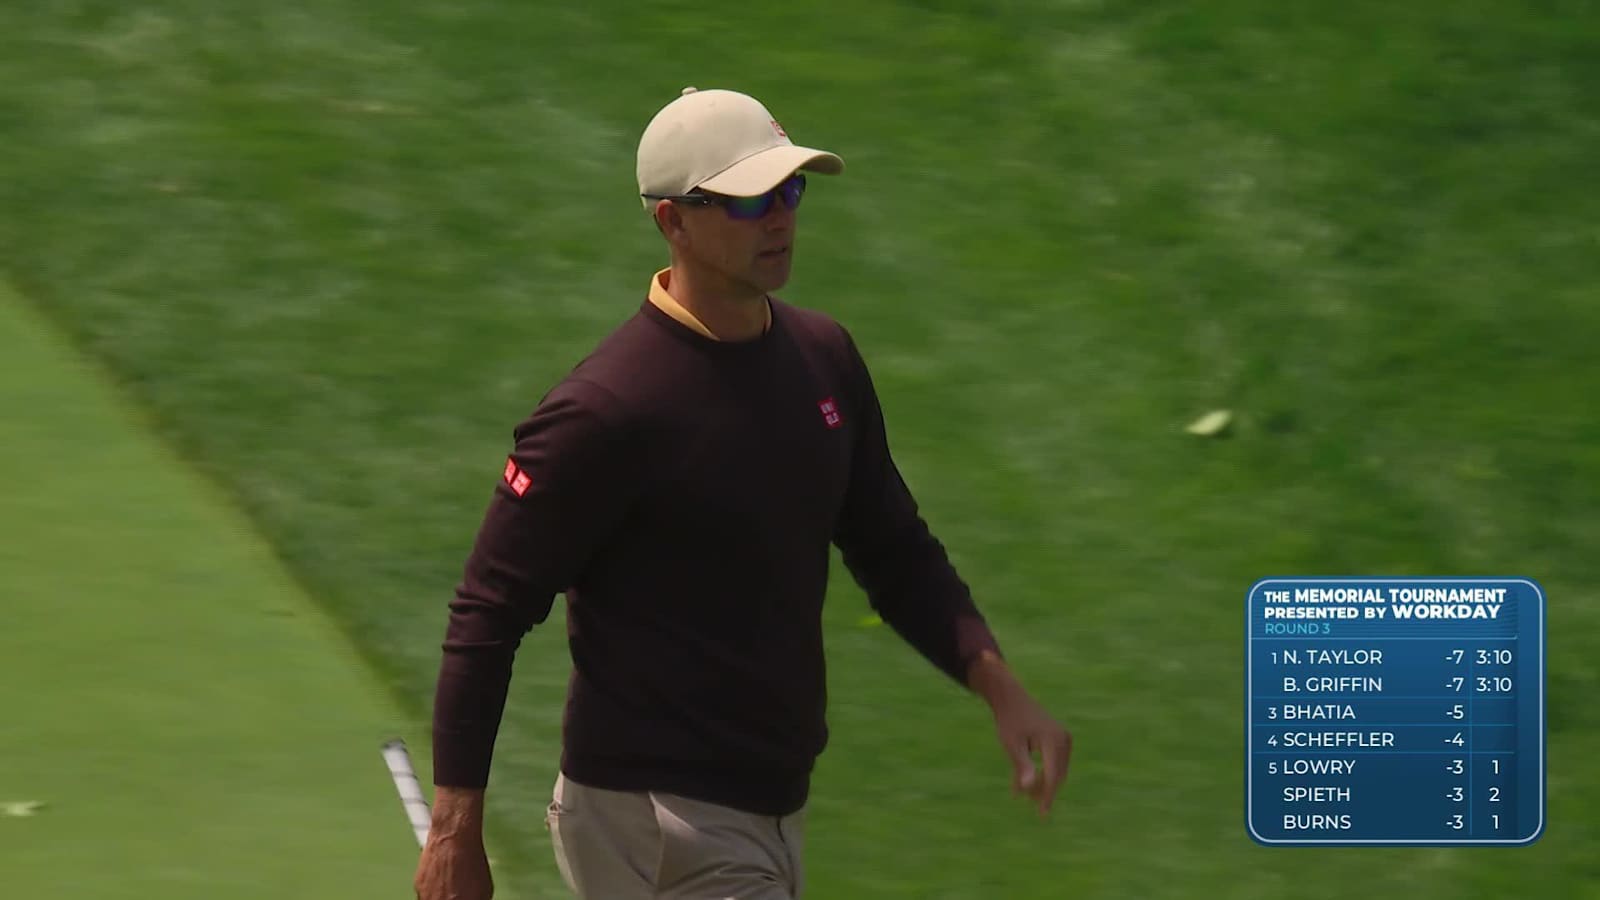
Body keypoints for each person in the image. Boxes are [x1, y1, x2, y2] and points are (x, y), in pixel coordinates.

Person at [414, 86, 1071, 900]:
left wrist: (1000, 689)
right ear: (672, 221)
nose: (780, 216)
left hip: (770, 810)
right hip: (653, 819)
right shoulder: (606, 412)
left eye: (790, 190)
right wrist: (453, 834)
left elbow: (893, 549)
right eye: (749, 199)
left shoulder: (823, 359)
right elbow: (489, 611)